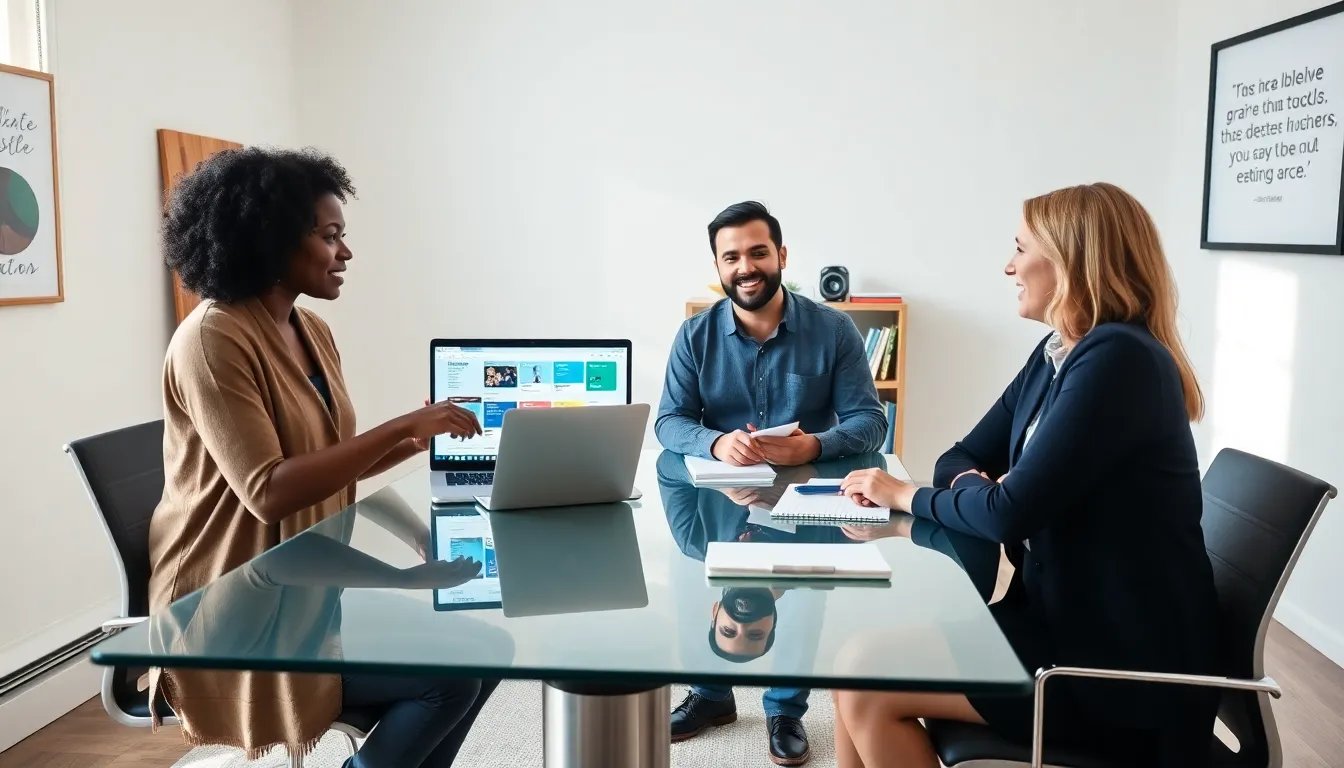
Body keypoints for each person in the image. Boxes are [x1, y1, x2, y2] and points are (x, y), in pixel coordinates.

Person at [832, 183, 1220, 768]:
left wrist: (904, 494)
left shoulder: (1119, 360)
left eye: (1020, 248)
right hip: (1058, 624)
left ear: (1070, 261)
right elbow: (959, 458)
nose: (1008, 265)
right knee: (848, 662)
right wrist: (981, 492)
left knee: (865, 683)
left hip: (1117, 669)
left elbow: (1007, 513)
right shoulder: (1057, 354)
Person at [148, 146, 492, 768]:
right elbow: (270, 490)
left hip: (302, 578)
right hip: (231, 604)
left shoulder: (311, 331)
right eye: (330, 236)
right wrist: (399, 427)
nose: (346, 252)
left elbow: (330, 458)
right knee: (451, 678)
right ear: (271, 239)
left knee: (480, 649)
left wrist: (412, 474)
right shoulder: (211, 339)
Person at [654, 201, 887, 765]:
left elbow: (870, 421)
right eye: (731, 256)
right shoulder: (694, 335)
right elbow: (669, 421)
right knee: (691, 573)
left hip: (807, 497)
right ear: (719, 266)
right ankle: (710, 696)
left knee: (807, 596)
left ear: (781, 256)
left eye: (758, 252)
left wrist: (815, 444)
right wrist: (713, 442)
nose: (746, 266)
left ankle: (787, 707)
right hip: (719, 494)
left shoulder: (832, 330)